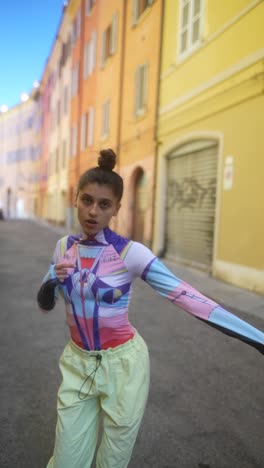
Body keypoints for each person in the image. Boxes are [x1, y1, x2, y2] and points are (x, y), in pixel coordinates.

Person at [37, 148, 264, 468]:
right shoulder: (63, 248)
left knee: (112, 462)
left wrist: (258, 338)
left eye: (104, 204)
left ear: (116, 208)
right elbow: (45, 303)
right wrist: (52, 282)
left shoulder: (132, 254)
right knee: (66, 461)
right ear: (76, 199)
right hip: (77, 364)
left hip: (124, 368)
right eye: (87, 200)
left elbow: (187, 296)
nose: (93, 211)